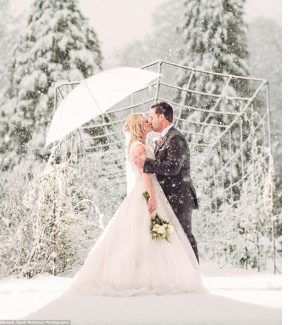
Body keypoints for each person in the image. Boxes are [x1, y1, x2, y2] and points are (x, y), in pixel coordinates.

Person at [65, 113, 205, 296]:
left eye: (150, 119)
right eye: (146, 121)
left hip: (154, 191)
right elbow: (144, 175)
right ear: (140, 126)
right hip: (147, 192)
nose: (150, 123)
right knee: (145, 235)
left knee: (157, 235)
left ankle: (164, 275)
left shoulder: (143, 144)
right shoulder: (138, 146)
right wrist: (152, 196)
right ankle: (144, 277)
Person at [134, 102, 200, 262]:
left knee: (184, 237)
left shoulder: (175, 138)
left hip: (179, 197)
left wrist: (147, 163)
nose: (150, 121)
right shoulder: (165, 138)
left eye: (152, 117)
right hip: (170, 196)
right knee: (175, 240)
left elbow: (173, 168)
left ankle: (194, 274)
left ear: (161, 117)